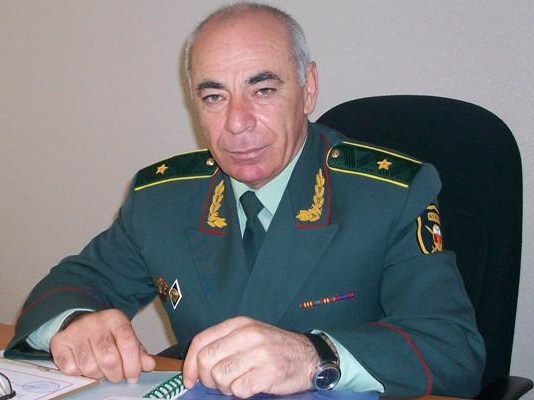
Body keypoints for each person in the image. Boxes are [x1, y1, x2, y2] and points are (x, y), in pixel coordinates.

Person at [6, 3, 485, 399]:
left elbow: (453, 350)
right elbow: (73, 285)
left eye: (263, 90)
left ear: (308, 88)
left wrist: (314, 355)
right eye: (214, 97)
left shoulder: (388, 195)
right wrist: (75, 324)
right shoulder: (163, 199)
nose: (237, 123)